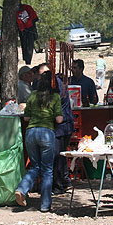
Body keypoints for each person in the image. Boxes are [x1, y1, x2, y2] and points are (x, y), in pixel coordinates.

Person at [15, 70, 63, 212]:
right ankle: (45, 204)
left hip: (31, 133)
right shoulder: (55, 97)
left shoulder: (33, 95)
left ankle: (22, 189)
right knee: (47, 170)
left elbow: (26, 118)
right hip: (47, 133)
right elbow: (59, 119)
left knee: (35, 166)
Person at [36, 62, 74, 195]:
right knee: (61, 155)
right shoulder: (54, 85)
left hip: (61, 126)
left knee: (58, 155)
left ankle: (59, 185)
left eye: (42, 75)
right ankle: (64, 181)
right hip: (63, 125)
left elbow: (56, 114)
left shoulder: (55, 86)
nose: (40, 78)